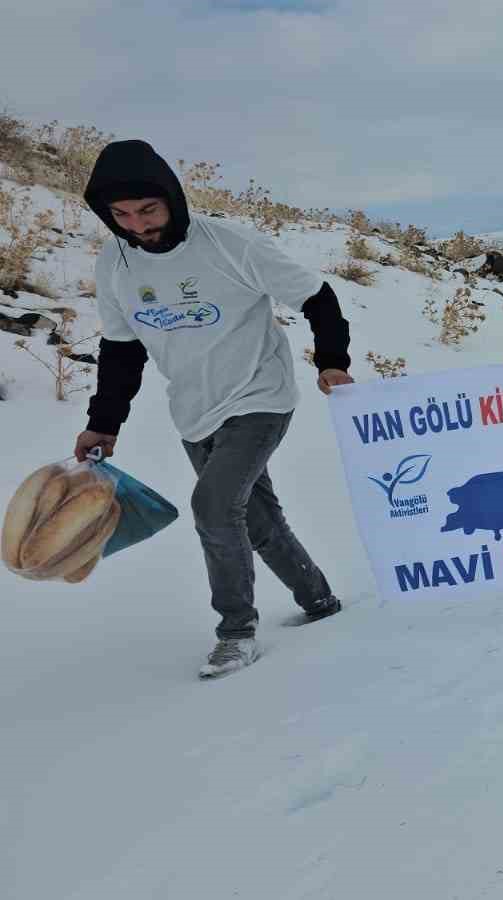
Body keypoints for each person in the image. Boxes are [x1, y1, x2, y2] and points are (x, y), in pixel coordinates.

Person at [76, 139, 353, 678]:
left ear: (172, 201)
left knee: (214, 504)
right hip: (194, 408)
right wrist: (103, 423)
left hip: (260, 397)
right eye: (121, 214)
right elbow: (121, 349)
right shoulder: (115, 260)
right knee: (254, 517)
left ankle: (235, 631)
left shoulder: (230, 245)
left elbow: (317, 297)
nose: (136, 224)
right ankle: (318, 599)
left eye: (147, 210)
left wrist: (332, 360)